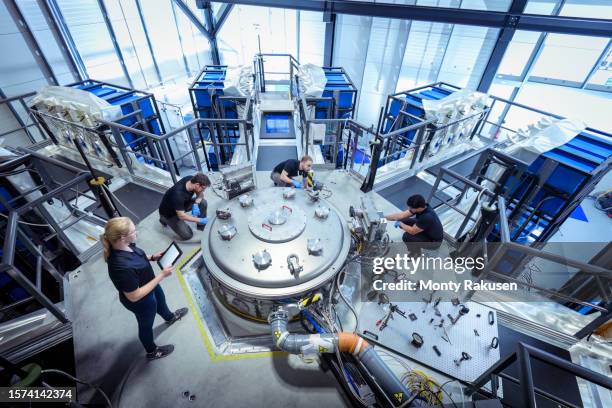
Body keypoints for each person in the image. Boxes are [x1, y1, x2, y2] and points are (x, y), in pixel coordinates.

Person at [102, 217, 188, 360]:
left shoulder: (125, 245)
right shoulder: (121, 267)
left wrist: (152, 257)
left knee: (161, 302)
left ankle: (170, 317)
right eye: (133, 231)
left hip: (150, 284)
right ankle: (152, 351)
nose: (136, 232)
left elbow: (137, 257)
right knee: (146, 325)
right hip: (141, 301)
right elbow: (134, 296)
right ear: (123, 237)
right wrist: (161, 276)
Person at [158, 173, 210, 240]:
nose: (203, 191)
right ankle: (163, 219)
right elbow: (181, 216)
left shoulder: (191, 179)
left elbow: (200, 194)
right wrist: (200, 219)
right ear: (197, 185)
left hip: (182, 204)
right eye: (203, 188)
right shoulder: (178, 194)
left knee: (203, 202)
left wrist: (196, 204)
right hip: (170, 214)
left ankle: (201, 226)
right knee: (188, 235)